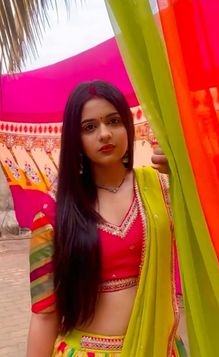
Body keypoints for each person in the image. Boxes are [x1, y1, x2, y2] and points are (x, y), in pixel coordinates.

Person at [27, 80, 186, 357]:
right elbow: (44, 314)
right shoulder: (54, 214)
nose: (104, 134)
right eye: (89, 127)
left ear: (127, 125)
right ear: (75, 139)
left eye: (113, 121)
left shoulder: (160, 189)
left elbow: (207, 235)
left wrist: (184, 173)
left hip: (157, 348)